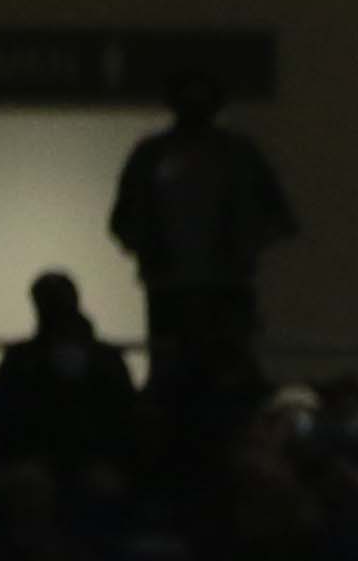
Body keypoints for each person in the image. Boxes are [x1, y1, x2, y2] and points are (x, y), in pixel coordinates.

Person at [107, 69, 297, 408]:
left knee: (228, 379)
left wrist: (243, 248)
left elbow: (279, 217)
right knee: (171, 380)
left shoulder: (240, 155)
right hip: (171, 289)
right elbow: (123, 219)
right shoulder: (151, 155)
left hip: (226, 288)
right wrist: (151, 249)